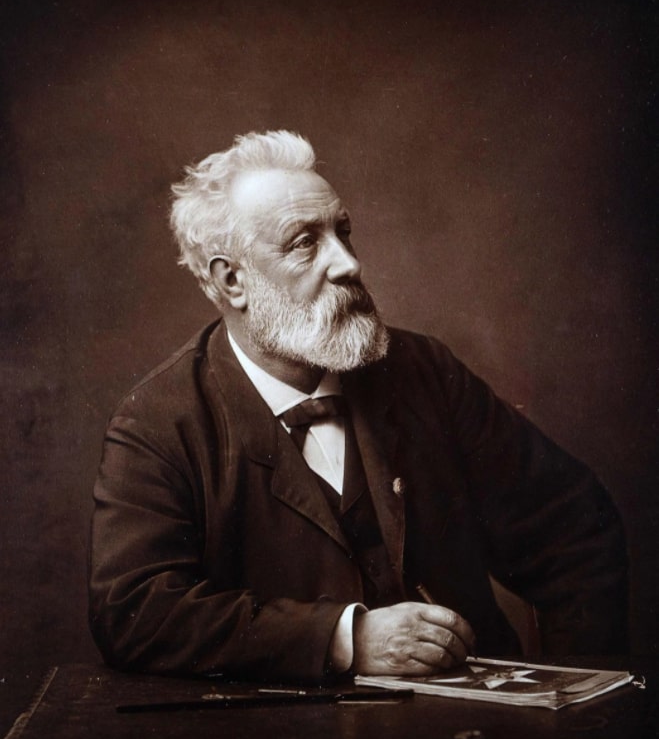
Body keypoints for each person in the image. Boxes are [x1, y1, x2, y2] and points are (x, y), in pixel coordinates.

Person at [89, 130, 628, 683]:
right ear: (232, 281)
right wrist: (343, 639)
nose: (348, 263)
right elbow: (135, 613)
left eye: (343, 232)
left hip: (471, 722)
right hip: (280, 730)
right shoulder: (158, 421)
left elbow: (576, 532)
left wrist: (571, 696)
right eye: (305, 242)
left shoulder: (424, 371)